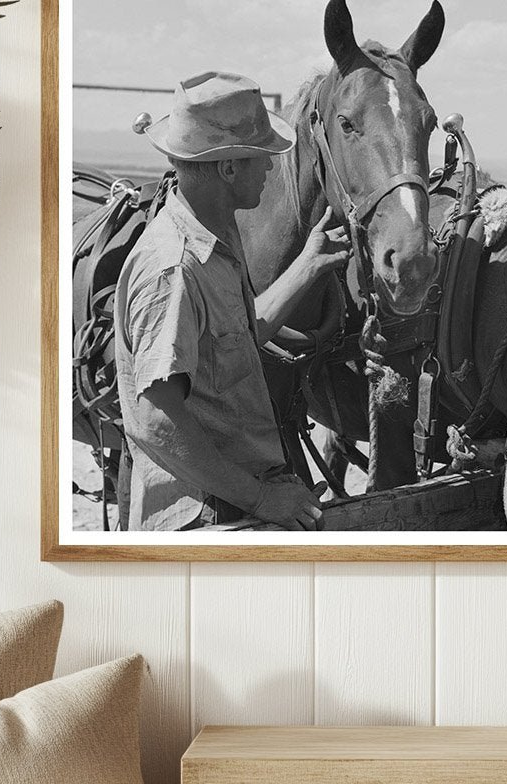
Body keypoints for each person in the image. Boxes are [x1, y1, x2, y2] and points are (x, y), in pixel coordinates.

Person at [113, 71, 351, 531]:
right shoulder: (174, 268)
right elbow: (155, 421)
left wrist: (308, 263)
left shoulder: (217, 238)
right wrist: (262, 499)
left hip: (232, 502)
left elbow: (241, 333)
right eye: (261, 158)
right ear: (227, 169)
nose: (270, 168)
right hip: (203, 518)